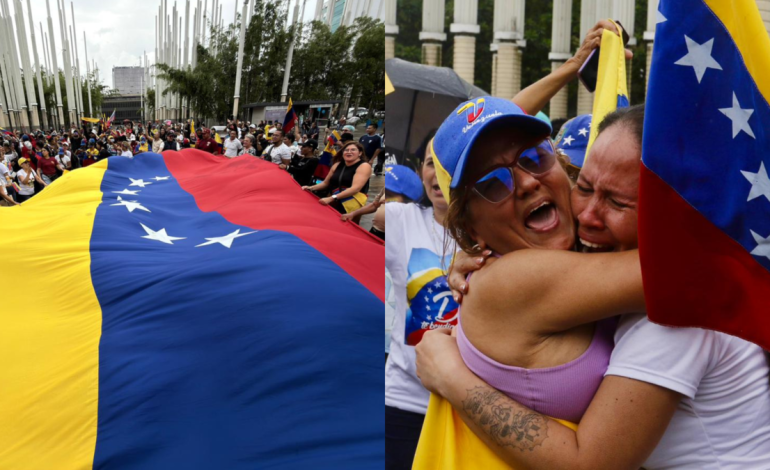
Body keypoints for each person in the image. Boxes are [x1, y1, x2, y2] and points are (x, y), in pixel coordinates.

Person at [383, 142, 454, 469]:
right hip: (405, 402)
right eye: (430, 163)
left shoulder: (498, 229)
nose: (438, 173)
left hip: (471, 407)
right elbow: (378, 215)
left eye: (448, 164)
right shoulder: (404, 219)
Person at [301, 141, 371, 215]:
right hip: (334, 200)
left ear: (360, 153)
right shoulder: (337, 165)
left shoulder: (364, 166)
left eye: (353, 150)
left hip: (350, 204)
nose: (349, 152)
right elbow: (325, 183)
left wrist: (331, 198)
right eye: (346, 150)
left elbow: (355, 189)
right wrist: (310, 188)